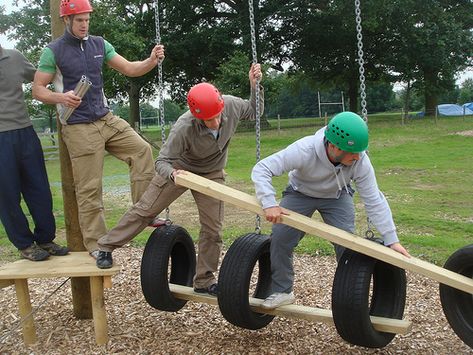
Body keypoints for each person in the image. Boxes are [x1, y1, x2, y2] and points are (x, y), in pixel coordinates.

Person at [95, 64, 264, 297]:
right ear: (196, 116)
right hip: (180, 169)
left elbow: (255, 111)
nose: (214, 123)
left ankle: (204, 280)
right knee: (145, 210)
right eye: (207, 120)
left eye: (216, 116)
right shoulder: (184, 127)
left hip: (212, 173)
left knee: (213, 230)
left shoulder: (232, 105)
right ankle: (105, 246)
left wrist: (255, 86)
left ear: (221, 106)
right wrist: (174, 174)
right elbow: (161, 162)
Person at [32, 0, 165, 258]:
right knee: (90, 188)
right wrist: (62, 98)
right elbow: (37, 90)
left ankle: (145, 212)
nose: (85, 25)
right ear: (67, 21)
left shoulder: (99, 44)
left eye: (87, 20)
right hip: (78, 126)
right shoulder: (53, 51)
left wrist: (150, 61)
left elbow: (129, 68)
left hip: (106, 119)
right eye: (80, 20)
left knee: (142, 151)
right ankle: (98, 246)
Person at [251, 111, 410, 309]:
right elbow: (262, 168)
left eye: (360, 152)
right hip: (300, 193)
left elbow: (374, 200)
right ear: (334, 147)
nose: (358, 156)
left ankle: (349, 296)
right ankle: (283, 291)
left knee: (347, 245)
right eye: (353, 152)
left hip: (337, 196)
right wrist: (269, 203)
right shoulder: (305, 149)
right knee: (281, 238)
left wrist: (391, 239)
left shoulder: (360, 161)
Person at [0, 45, 69, 261]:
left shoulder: (15, 57)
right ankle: (25, 245)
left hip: (25, 132)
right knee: (7, 196)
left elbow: (42, 77)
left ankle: (45, 239)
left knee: (39, 190)